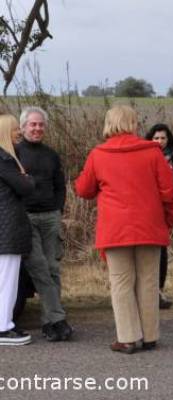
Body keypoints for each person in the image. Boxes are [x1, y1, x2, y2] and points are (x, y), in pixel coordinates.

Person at [75, 105, 173, 354]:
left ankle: (128, 337)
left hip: (115, 228)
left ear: (109, 123)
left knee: (120, 282)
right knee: (149, 281)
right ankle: (150, 335)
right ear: (132, 123)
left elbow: (84, 190)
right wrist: (166, 222)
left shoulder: (98, 154)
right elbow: (169, 193)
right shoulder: (152, 152)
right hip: (149, 226)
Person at [16, 106, 73, 342]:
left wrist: (58, 208)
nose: (37, 128)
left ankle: (51, 323)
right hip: (26, 217)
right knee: (39, 267)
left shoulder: (51, 155)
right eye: (33, 124)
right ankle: (57, 318)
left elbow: (60, 185)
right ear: (22, 127)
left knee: (52, 268)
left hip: (50, 217)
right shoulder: (14, 153)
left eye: (40, 125)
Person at [0, 115, 34, 346]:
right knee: (7, 280)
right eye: (14, 129)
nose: (18, 133)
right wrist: (27, 178)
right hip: (7, 229)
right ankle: (3, 327)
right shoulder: (5, 160)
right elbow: (26, 186)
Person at [145, 123, 173, 310]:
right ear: (150, 139)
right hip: (146, 208)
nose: (159, 141)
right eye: (156, 138)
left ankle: (159, 290)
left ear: (168, 139)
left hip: (165, 208)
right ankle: (146, 291)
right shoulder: (143, 156)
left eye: (163, 138)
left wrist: (172, 194)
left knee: (162, 250)